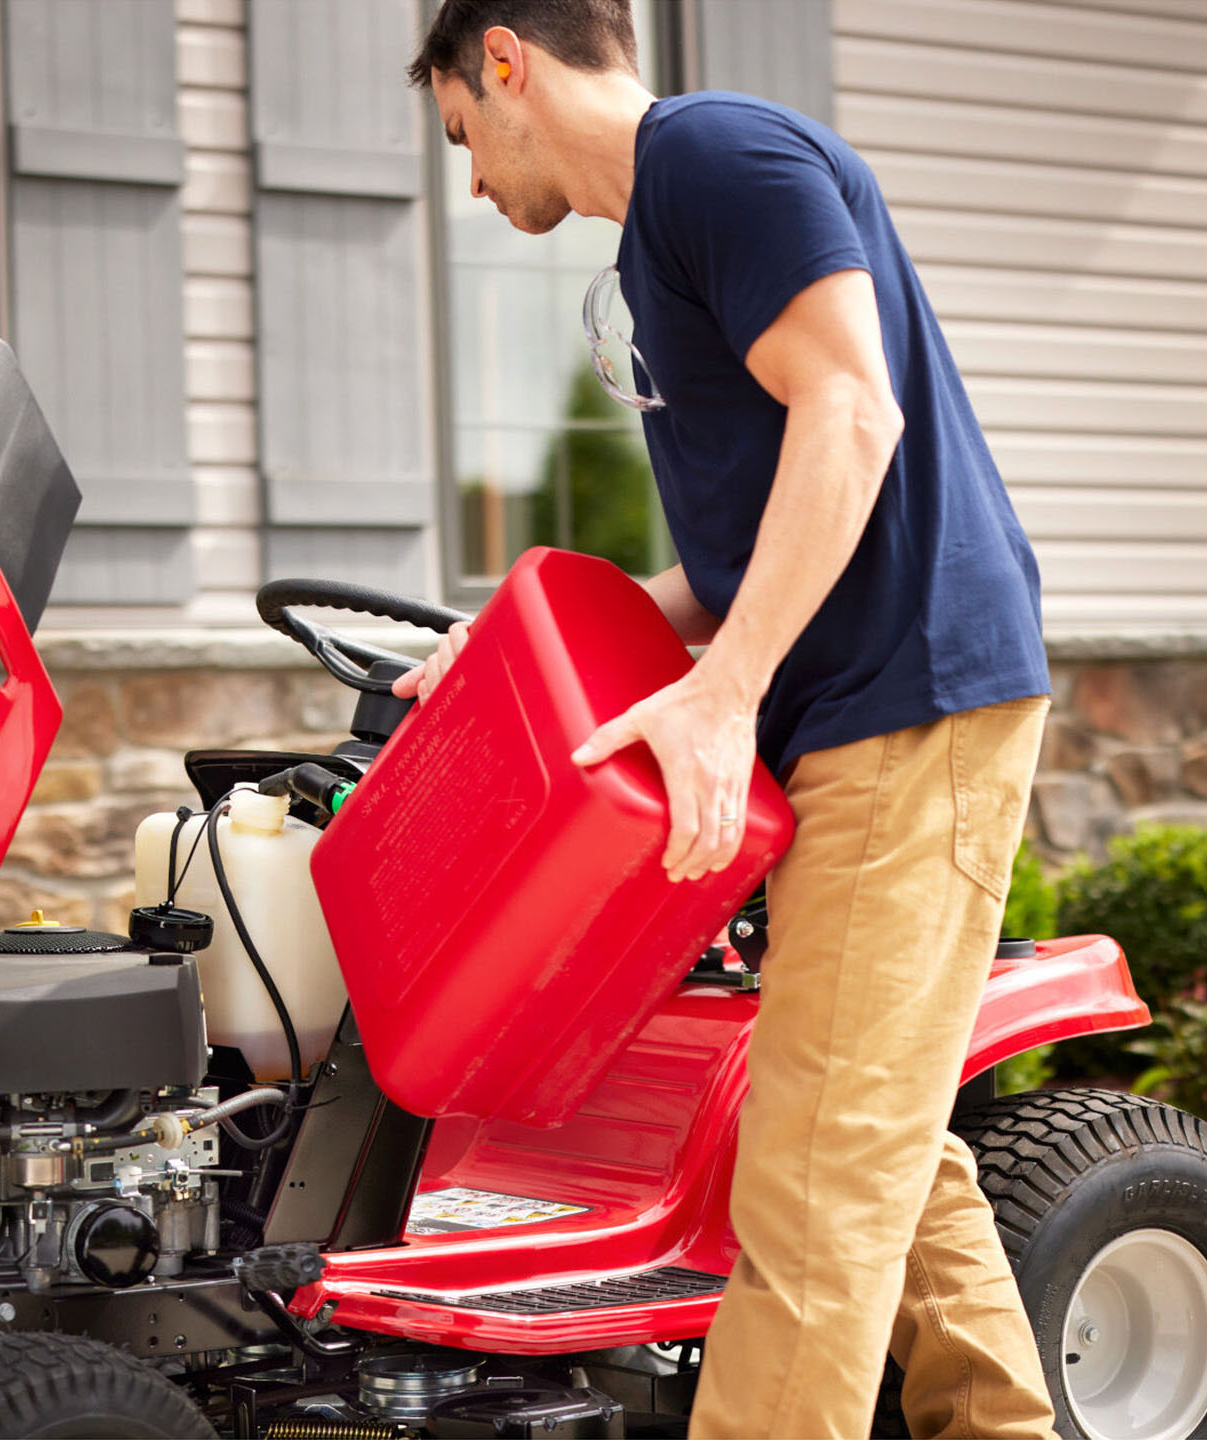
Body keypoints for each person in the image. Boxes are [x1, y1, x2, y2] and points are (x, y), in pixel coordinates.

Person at [396, 3, 1059, 1437]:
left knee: (815, 1180)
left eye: (460, 133)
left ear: (504, 60)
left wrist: (727, 690)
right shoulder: (659, 237)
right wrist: (510, 650)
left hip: (907, 705)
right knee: (864, 1130)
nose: (471, 181)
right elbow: (732, 562)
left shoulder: (717, 155)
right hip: (854, 716)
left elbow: (853, 414)